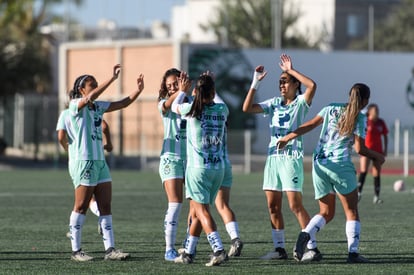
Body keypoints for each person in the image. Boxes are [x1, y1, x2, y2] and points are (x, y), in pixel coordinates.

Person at [277, 83, 385, 263]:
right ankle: (353, 253)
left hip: (319, 163)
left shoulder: (331, 108)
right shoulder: (360, 117)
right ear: (365, 100)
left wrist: (289, 137)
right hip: (340, 166)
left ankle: (305, 234)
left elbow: (310, 124)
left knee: (326, 212)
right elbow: (360, 148)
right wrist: (378, 156)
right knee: (351, 211)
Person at [57, 64, 144, 261]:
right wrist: (112, 79)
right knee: (80, 205)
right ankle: (76, 251)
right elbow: (88, 98)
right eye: (92, 84)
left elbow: (122, 104)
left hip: (99, 161)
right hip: (84, 161)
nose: (95, 87)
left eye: (96, 84)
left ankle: (110, 249)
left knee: (105, 205)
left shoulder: (97, 107)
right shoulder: (74, 105)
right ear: (81, 90)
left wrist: (138, 90)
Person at [242, 54, 317, 260]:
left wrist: (291, 70)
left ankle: (312, 247)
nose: (281, 85)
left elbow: (312, 85)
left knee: (294, 205)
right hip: (273, 159)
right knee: (273, 206)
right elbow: (246, 108)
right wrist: (255, 82)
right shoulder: (274, 103)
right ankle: (279, 249)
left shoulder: (301, 103)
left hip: (291, 158)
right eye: (280, 82)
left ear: (294, 84)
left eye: (285, 81)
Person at [172, 73, 229, 266]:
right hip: (218, 169)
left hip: (198, 169)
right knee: (197, 212)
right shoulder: (222, 109)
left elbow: (173, 107)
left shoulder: (191, 109)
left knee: (202, 211)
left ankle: (219, 250)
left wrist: (182, 91)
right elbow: (215, 98)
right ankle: (188, 253)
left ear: (196, 92)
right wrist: (211, 85)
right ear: (212, 92)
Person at [157, 68, 191, 261]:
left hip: (192, 160)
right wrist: (181, 91)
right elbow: (169, 105)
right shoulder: (164, 103)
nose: (171, 88)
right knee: (175, 203)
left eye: (175, 84)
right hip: (171, 158)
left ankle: (188, 245)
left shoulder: (192, 103)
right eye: (168, 85)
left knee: (195, 205)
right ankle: (169, 248)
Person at [357, 104, 388, 204]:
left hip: (377, 151)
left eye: (378, 110)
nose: (377, 112)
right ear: (369, 111)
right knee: (363, 171)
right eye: (375, 110)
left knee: (376, 173)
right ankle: (358, 193)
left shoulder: (381, 122)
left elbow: (385, 136)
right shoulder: (365, 121)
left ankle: (376, 197)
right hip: (366, 150)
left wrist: (385, 150)